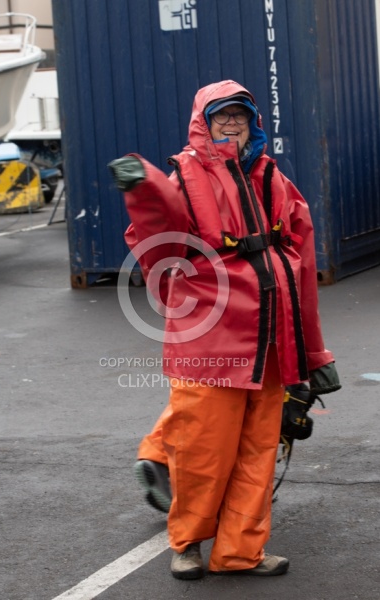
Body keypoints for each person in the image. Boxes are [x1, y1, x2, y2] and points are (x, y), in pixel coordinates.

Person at [109, 80, 340, 581]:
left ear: (253, 122)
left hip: (273, 347)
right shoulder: (184, 176)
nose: (231, 123)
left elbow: (301, 267)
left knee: (257, 456)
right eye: (220, 116)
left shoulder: (273, 178)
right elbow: (158, 220)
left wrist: (315, 356)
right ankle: (187, 545)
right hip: (211, 346)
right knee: (201, 454)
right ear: (202, 123)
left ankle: (240, 552)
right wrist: (141, 183)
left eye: (239, 114)